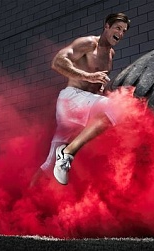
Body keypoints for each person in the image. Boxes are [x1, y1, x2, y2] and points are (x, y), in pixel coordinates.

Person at [30, 13, 130, 186]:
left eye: (124, 31)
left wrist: (103, 89)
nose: (120, 34)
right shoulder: (89, 43)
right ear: (107, 26)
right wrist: (88, 76)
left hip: (80, 106)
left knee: (49, 165)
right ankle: (67, 153)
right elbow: (58, 62)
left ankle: (26, 199)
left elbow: (97, 87)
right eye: (118, 28)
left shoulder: (110, 55)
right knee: (117, 108)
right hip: (72, 99)